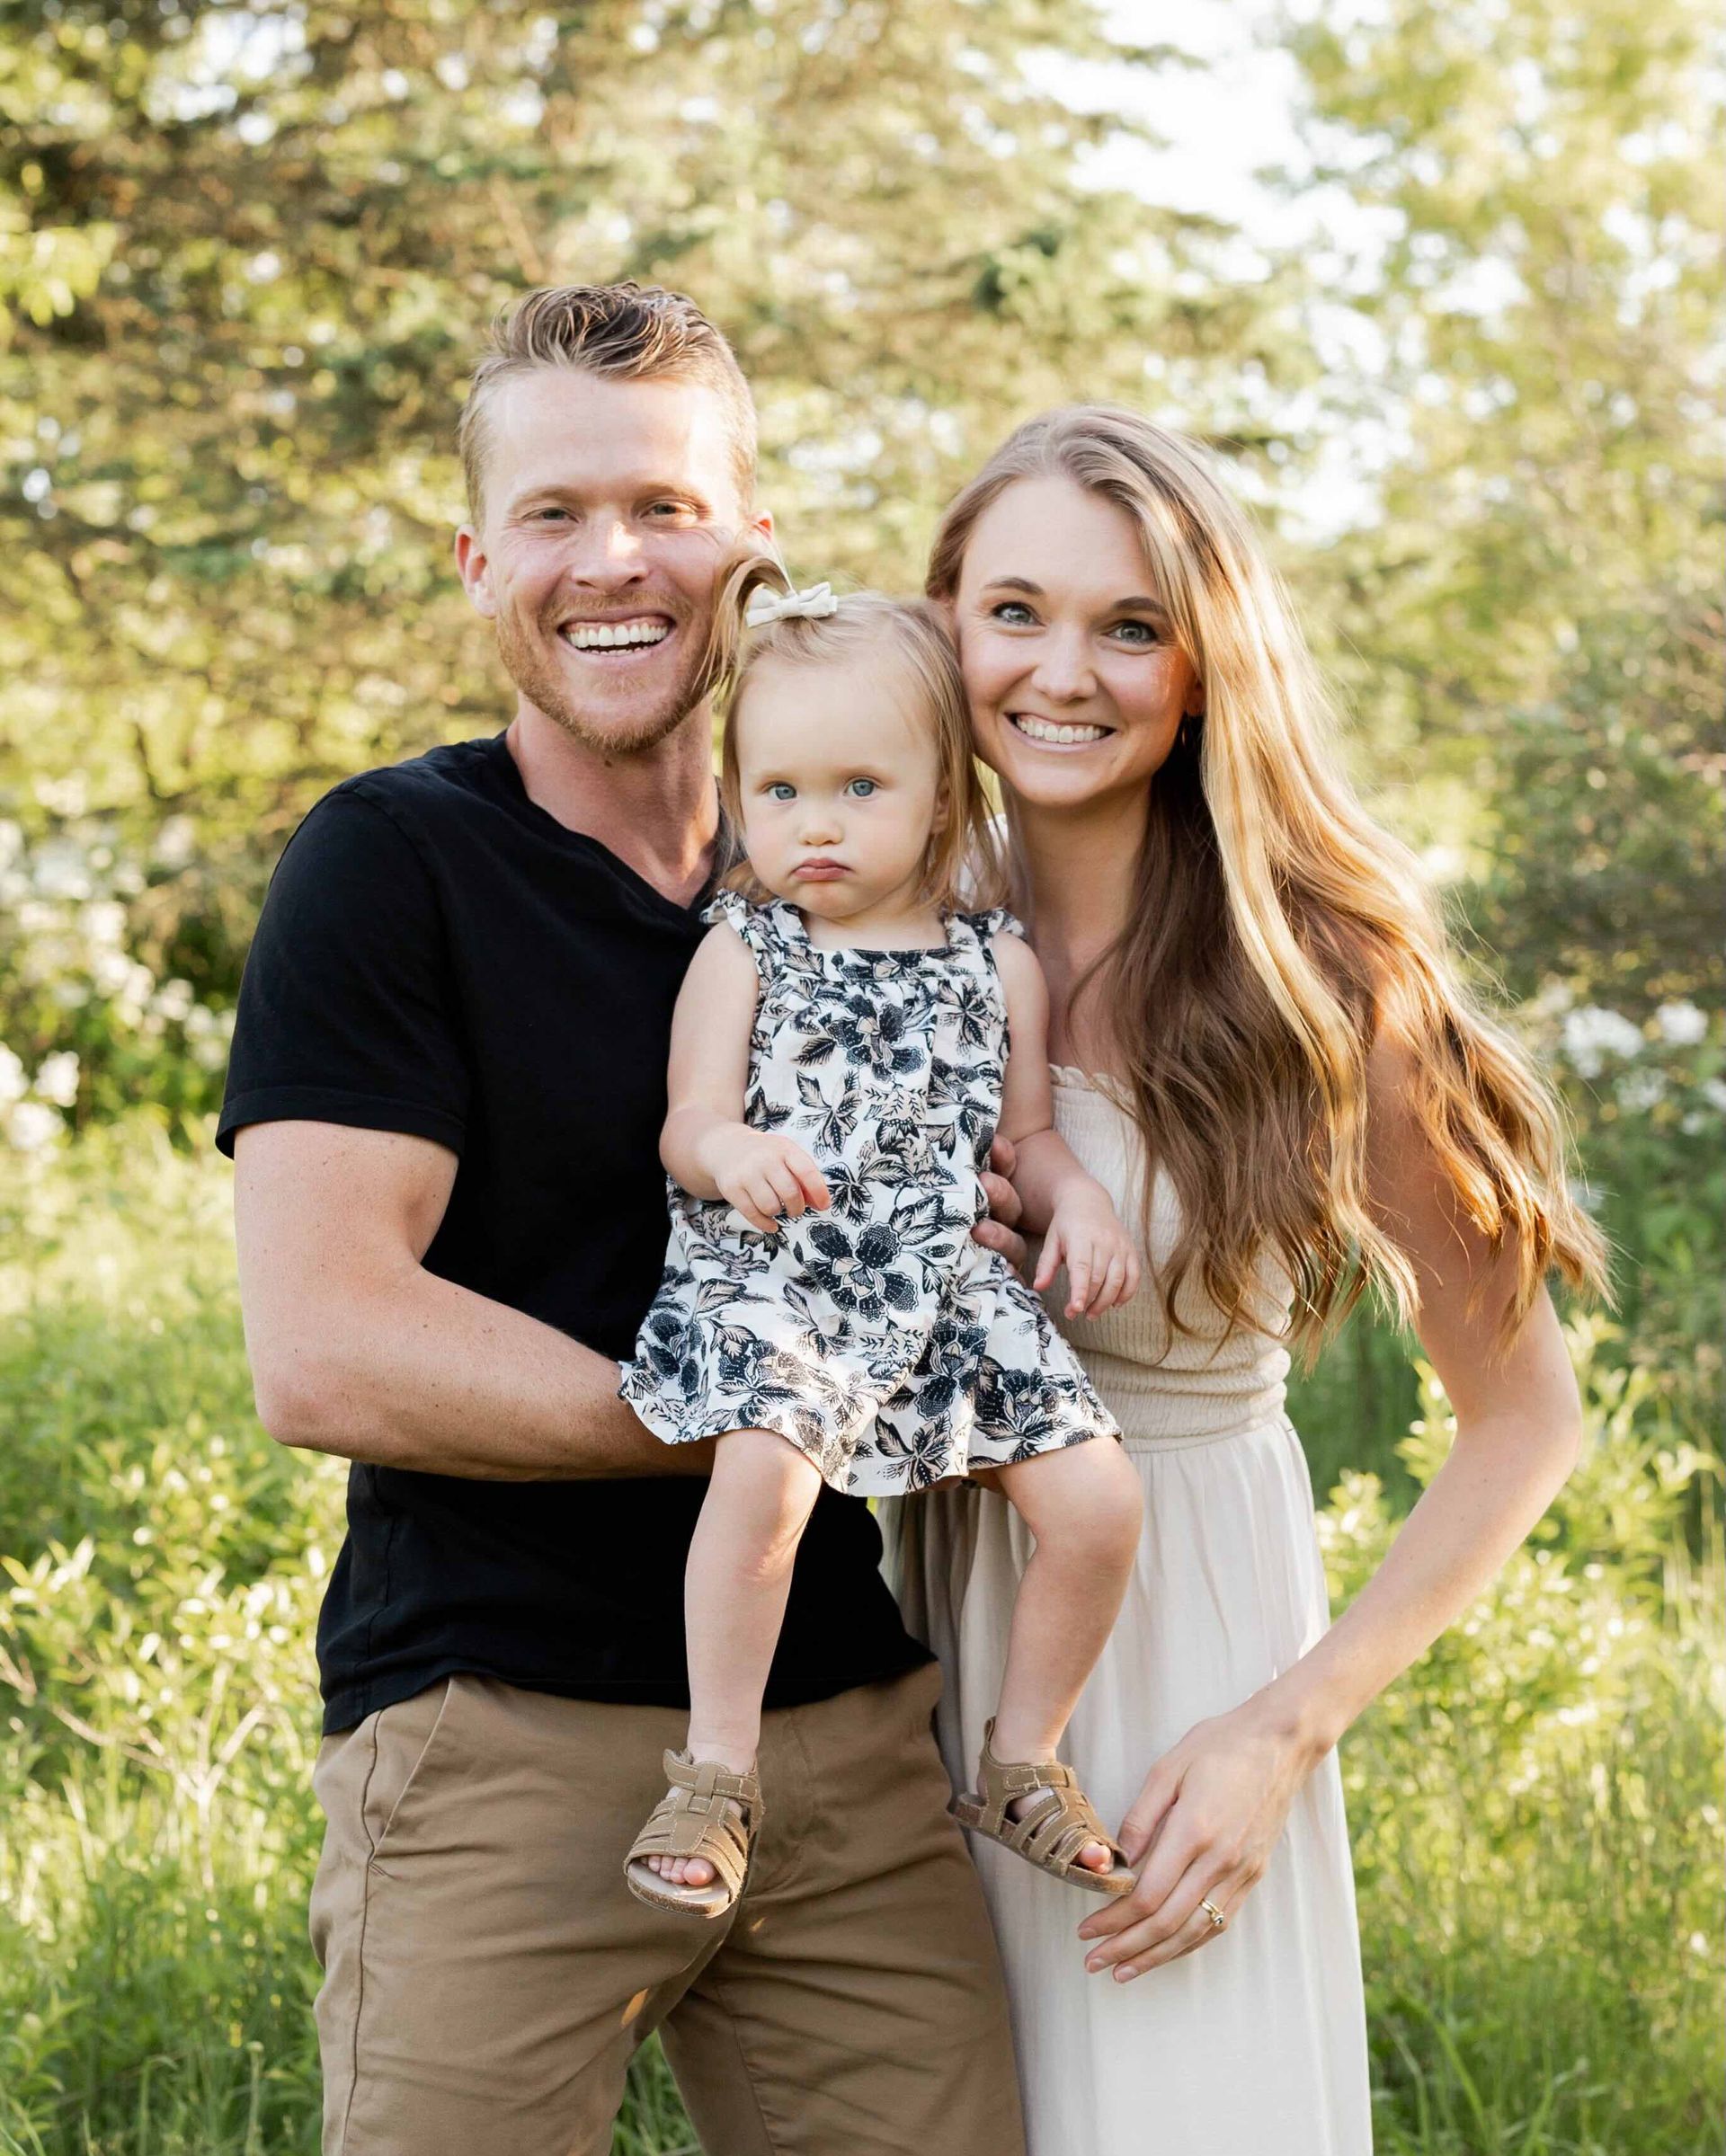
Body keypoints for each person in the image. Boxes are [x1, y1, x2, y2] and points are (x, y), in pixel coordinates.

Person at [220, 282, 1028, 2156]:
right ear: (475, 559)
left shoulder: (877, 881)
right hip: (506, 1744)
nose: (616, 563)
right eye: (560, 516)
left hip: (848, 1741)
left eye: (666, 508)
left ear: (750, 536)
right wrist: (781, 1426)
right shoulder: (392, 862)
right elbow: (330, 1341)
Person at [883, 405, 1606, 2156]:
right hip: (899, 1683)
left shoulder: (1318, 982)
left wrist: (1280, 1734)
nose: (1067, 670)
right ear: (945, 624)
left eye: (1131, 626)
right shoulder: (873, 921)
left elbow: (1528, 1421)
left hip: (1183, 1688)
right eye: (1017, 612)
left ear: (1205, 668)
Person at [617, 571, 1143, 1917]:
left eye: (861, 787)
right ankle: (716, 1771)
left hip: (944, 1281)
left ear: (945, 800)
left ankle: (1025, 1757)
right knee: (765, 1485)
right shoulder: (748, 944)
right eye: (780, 791)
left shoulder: (996, 964)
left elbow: (1024, 1139)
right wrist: (732, 1155)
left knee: (1099, 1504)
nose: (817, 826)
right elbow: (687, 1121)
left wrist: (1072, 1196)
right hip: (789, 1272)